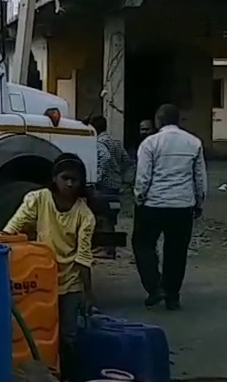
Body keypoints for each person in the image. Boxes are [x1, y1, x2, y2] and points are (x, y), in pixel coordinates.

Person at [2, 153, 96, 377]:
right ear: (55, 178)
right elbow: (11, 230)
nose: (70, 184)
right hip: (41, 281)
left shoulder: (85, 215)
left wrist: (88, 293)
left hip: (69, 282)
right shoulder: (37, 199)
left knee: (67, 335)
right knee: (38, 332)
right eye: (66, 178)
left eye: (75, 180)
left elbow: (83, 259)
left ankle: (69, 381)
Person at [133, 104, 207, 310]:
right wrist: (199, 201)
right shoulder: (193, 142)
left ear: (158, 121)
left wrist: (139, 197)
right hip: (182, 205)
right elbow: (199, 177)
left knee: (143, 244)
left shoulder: (150, 143)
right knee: (176, 250)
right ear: (178, 120)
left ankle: (155, 287)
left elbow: (143, 176)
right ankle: (172, 295)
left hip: (154, 204)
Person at [89, 115, 132, 259]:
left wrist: (97, 176)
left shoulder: (98, 143)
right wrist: (119, 173)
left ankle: (106, 249)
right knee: (110, 216)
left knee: (103, 216)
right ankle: (108, 248)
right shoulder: (116, 142)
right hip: (116, 184)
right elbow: (126, 160)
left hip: (104, 184)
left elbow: (105, 157)